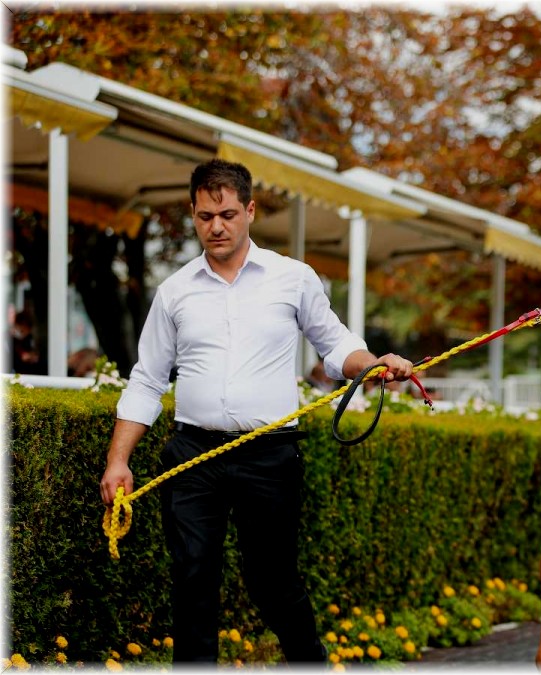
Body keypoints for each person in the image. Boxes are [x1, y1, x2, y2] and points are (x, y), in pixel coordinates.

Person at [99, 159, 413, 664]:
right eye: (205, 216)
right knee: (192, 578)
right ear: (193, 215)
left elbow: (336, 347)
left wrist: (373, 364)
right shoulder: (175, 290)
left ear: (249, 211)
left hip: (269, 455)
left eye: (227, 214)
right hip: (193, 455)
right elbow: (148, 379)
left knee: (273, 582)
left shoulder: (294, 278)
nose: (216, 227)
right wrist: (119, 460)